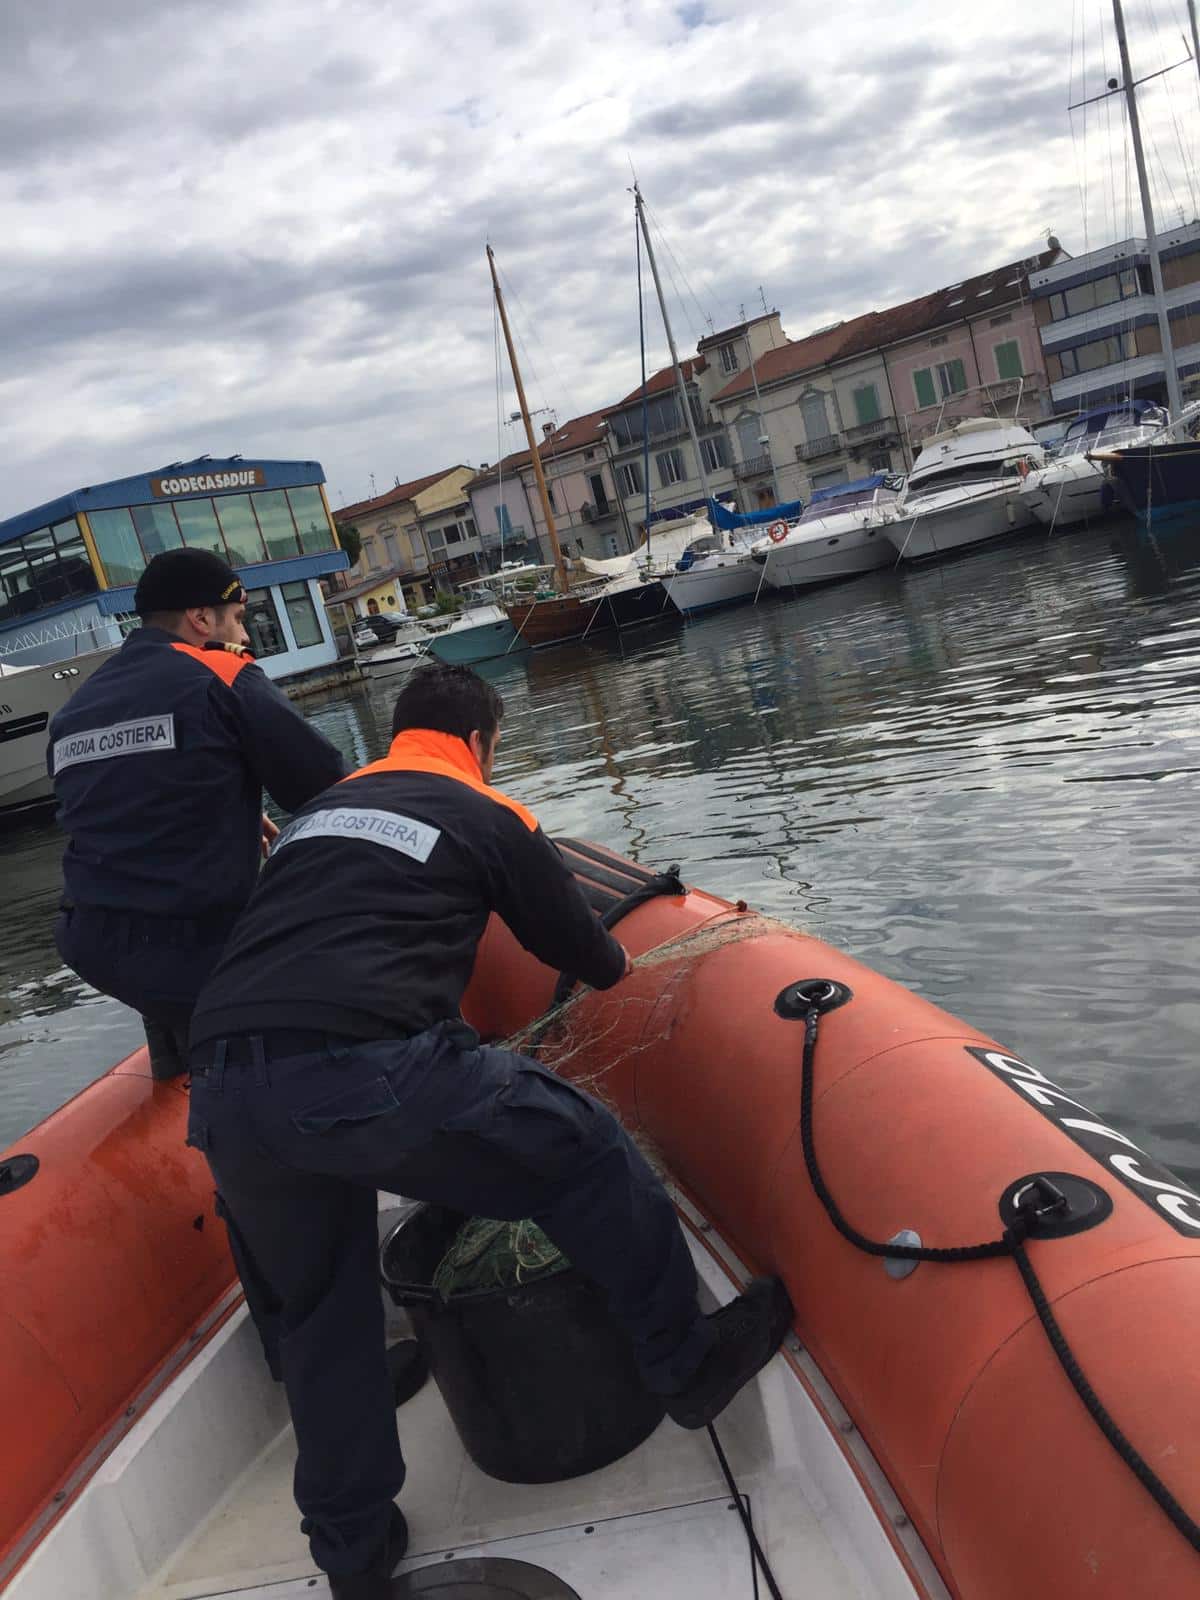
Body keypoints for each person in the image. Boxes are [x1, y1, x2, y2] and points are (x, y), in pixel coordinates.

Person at [186, 661, 793, 1599]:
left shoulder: (313, 818)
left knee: (322, 1314)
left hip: (226, 1089)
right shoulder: (487, 812)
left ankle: (353, 1551)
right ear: (481, 743)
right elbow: (588, 959)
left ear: (397, 735)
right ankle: (686, 1362)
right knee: (586, 1149)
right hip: (367, 1071)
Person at [48, 546, 347, 1075]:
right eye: (237, 619)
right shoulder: (222, 672)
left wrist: (222, 802)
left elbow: (115, 798)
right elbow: (329, 787)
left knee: (170, 983)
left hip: (89, 939)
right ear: (201, 619)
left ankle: (180, 1069)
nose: (246, 636)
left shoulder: (77, 708)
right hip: (190, 942)